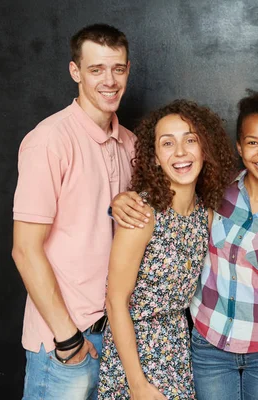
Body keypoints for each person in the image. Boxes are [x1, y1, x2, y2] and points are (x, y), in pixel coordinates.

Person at [110, 91, 258, 400]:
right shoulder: (219, 195)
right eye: (253, 142)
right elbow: (116, 294)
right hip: (206, 344)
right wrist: (117, 203)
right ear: (238, 147)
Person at [11, 24, 135, 399]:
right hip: (65, 345)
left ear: (129, 69)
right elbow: (25, 249)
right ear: (75, 71)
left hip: (115, 336)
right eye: (96, 69)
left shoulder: (129, 142)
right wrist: (68, 340)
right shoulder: (50, 140)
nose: (109, 80)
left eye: (118, 68)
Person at [98, 100, 235, 399]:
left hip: (178, 348)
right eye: (168, 143)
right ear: (156, 158)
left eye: (190, 140)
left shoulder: (204, 214)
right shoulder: (142, 214)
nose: (181, 152)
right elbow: (115, 302)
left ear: (204, 149)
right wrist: (137, 384)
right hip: (136, 353)